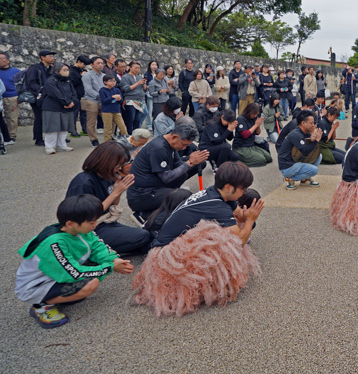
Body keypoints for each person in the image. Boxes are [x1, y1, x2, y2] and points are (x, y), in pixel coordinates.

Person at [132, 161, 263, 317]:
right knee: (224, 241)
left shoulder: (215, 193)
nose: (244, 192)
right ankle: (197, 286)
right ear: (229, 187)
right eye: (243, 189)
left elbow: (238, 215)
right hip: (165, 257)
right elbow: (239, 241)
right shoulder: (217, 206)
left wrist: (247, 215)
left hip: (166, 246)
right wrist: (250, 220)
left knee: (224, 232)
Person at [15, 194, 134, 328]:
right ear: (70, 223)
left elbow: (97, 246)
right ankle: (41, 306)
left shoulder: (79, 229)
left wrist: (114, 259)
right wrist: (110, 267)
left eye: (96, 220)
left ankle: (62, 296)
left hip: (56, 274)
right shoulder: (54, 243)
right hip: (35, 286)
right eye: (91, 222)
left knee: (96, 269)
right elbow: (74, 274)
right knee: (90, 284)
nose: (95, 225)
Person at [65, 142, 151, 254]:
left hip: (106, 222)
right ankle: (91, 252)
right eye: (118, 164)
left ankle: (103, 250)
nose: (120, 167)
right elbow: (87, 215)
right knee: (143, 237)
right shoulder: (84, 182)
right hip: (88, 229)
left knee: (149, 238)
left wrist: (119, 191)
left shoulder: (108, 175)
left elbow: (113, 205)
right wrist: (115, 192)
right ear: (106, 161)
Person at [127, 123, 209, 218]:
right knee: (184, 196)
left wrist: (194, 161)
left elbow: (178, 164)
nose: (184, 148)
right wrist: (190, 162)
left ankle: (167, 197)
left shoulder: (170, 144)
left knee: (185, 172)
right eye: (184, 144)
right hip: (142, 195)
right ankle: (144, 214)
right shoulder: (159, 148)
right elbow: (166, 178)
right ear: (174, 137)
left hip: (155, 184)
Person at [277, 109, 323, 190]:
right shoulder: (296, 134)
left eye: (314, 123)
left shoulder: (305, 132)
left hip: (295, 161)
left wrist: (312, 139)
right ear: (303, 123)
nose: (313, 125)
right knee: (314, 170)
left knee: (319, 156)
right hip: (287, 166)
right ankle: (289, 178)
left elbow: (310, 150)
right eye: (311, 123)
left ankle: (304, 179)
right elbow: (305, 152)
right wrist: (316, 140)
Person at [26, 49, 56, 146]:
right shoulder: (34, 68)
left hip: (50, 97)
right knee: (39, 118)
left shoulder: (51, 68)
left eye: (53, 56)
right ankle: (38, 139)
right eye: (50, 56)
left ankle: (54, 137)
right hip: (38, 97)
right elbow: (31, 82)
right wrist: (41, 90)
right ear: (42, 57)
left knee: (51, 117)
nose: (52, 58)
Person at [232, 102, 271, 167]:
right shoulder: (241, 119)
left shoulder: (253, 118)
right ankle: (238, 161)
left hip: (251, 145)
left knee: (268, 157)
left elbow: (258, 133)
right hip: (241, 146)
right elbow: (245, 135)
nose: (255, 116)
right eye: (254, 114)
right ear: (249, 112)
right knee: (261, 160)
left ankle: (245, 159)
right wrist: (256, 125)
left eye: (257, 114)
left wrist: (258, 125)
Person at [81, 56, 105, 147]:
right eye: (98, 63)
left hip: (103, 100)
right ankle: (93, 139)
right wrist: (100, 96)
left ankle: (109, 136)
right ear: (91, 64)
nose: (100, 65)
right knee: (91, 121)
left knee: (110, 117)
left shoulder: (104, 76)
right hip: (91, 99)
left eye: (101, 63)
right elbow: (88, 90)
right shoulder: (87, 75)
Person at [120, 61, 147, 135]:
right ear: (130, 68)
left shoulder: (139, 77)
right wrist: (138, 83)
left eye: (139, 68)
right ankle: (128, 134)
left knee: (137, 119)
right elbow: (126, 89)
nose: (137, 70)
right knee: (130, 119)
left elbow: (144, 89)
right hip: (130, 100)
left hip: (140, 100)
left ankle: (135, 134)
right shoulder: (125, 77)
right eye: (136, 68)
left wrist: (144, 84)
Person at [0, 52, 20, 144]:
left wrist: (20, 96)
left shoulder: (16, 71)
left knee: (11, 117)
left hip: (12, 96)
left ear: (8, 60)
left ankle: (11, 136)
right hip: (0, 96)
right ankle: (3, 135)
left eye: (2, 58)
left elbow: (21, 85)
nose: (0, 61)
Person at [100, 74, 127, 142]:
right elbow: (103, 101)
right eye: (110, 81)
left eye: (114, 81)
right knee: (108, 128)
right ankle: (107, 142)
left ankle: (125, 139)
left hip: (116, 110)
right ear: (105, 82)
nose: (113, 82)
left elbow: (121, 101)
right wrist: (112, 97)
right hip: (107, 111)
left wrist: (119, 99)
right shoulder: (102, 90)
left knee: (122, 126)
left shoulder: (117, 90)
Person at [68, 55, 89, 138]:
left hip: (83, 94)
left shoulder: (83, 70)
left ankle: (85, 129)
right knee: (74, 113)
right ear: (79, 62)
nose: (84, 66)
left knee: (84, 113)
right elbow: (71, 82)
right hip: (74, 95)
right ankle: (72, 130)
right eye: (84, 64)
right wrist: (81, 76)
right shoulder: (71, 70)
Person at [144, 60, 160, 131]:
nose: (154, 66)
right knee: (149, 110)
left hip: (158, 95)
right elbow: (145, 84)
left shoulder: (159, 74)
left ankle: (156, 124)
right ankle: (148, 125)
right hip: (150, 94)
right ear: (150, 66)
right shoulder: (147, 74)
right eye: (153, 65)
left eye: (155, 65)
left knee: (157, 110)